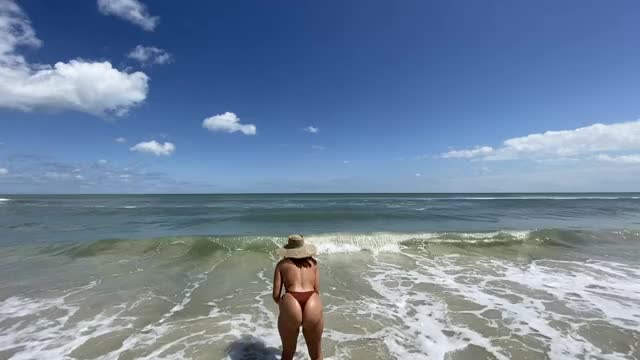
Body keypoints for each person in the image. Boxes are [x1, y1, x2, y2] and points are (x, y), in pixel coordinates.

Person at [272, 234, 324, 360]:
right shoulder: (313, 263)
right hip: (312, 301)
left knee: (288, 353)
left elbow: (276, 295)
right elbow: (317, 290)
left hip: (291, 301)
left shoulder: (282, 264)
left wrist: (285, 307)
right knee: (316, 354)